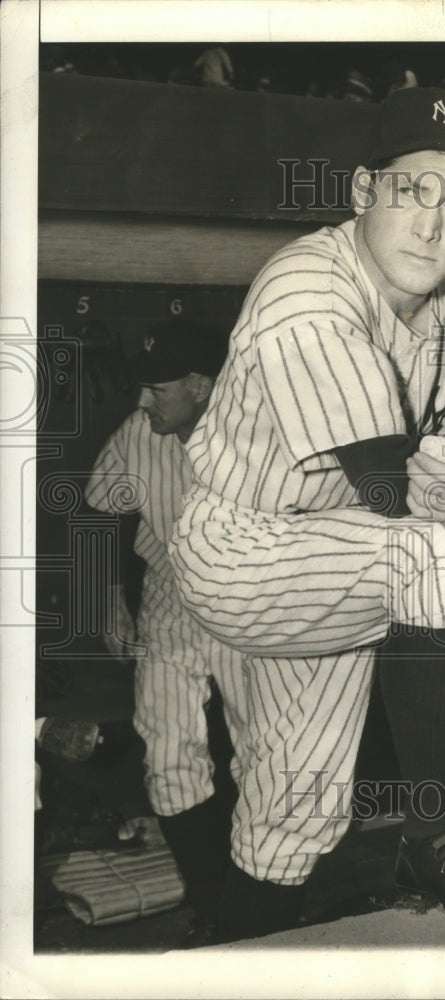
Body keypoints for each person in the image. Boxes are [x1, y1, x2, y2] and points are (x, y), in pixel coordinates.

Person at [169, 86, 445, 942]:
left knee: (292, 817)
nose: (433, 225)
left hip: (339, 566)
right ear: (361, 192)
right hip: (241, 551)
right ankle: (436, 829)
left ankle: (211, 961)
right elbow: (391, 492)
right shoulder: (307, 286)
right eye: (412, 191)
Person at [84, 319, 247, 931]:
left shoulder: (261, 431)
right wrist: (108, 597)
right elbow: (101, 515)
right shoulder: (139, 433)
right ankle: (213, 911)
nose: (141, 401)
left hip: (247, 596)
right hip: (171, 595)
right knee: (167, 751)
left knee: (260, 752)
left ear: (202, 385)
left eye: (156, 389)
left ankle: (260, 907)